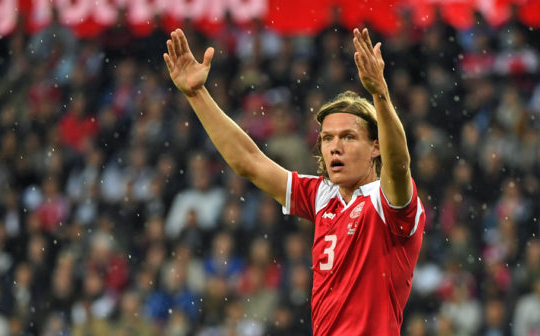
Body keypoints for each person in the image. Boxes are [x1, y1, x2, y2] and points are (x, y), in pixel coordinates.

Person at [164, 27, 425, 335]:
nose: (334, 147)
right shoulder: (322, 196)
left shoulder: (387, 200)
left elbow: (398, 164)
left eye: (348, 137)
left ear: (375, 146)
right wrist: (197, 95)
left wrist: (380, 94)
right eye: (327, 138)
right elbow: (249, 162)